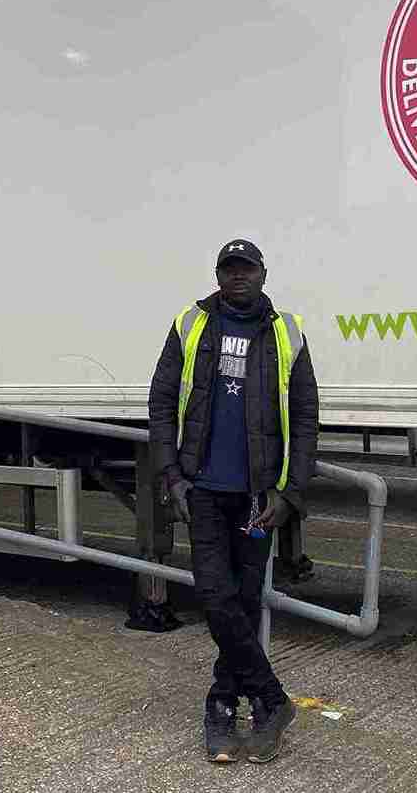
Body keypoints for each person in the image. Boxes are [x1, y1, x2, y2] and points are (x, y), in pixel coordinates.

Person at [148, 238, 320, 764]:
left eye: (247, 268)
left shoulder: (287, 331)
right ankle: (272, 698)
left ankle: (223, 706)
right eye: (229, 269)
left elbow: (306, 417)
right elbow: (161, 402)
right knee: (215, 597)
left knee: (243, 602)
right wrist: (172, 477)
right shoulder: (190, 324)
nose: (238, 276)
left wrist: (290, 494)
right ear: (218, 275)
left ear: (263, 273)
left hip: (257, 500)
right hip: (201, 491)